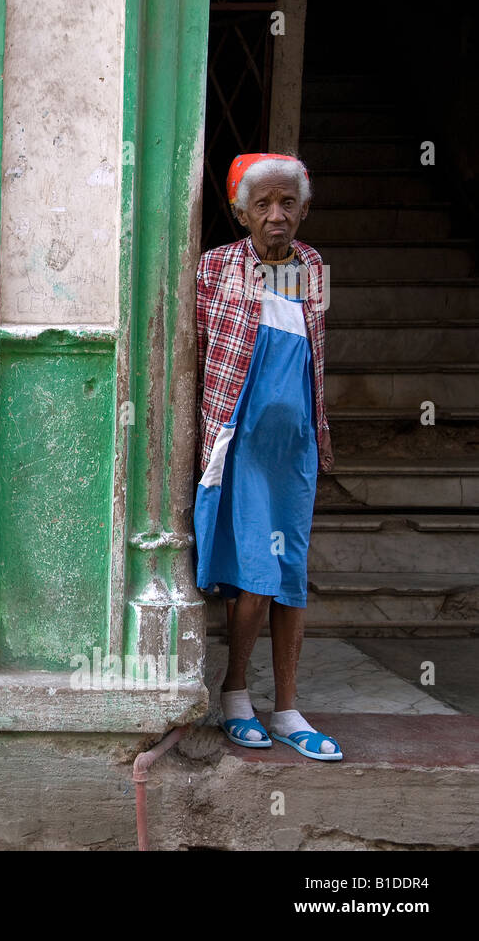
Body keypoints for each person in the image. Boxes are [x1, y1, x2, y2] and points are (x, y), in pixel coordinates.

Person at [194, 153, 342, 761]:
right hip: (242, 446)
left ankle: (286, 708)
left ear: (303, 209)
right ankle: (234, 694)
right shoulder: (215, 268)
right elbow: (194, 355)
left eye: (288, 204)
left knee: (290, 578)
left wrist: (315, 434)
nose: (277, 216)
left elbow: (312, 358)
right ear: (241, 213)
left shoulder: (312, 269)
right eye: (264, 205)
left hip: (294, 451)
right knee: (254, 576)